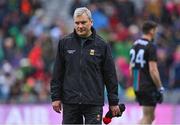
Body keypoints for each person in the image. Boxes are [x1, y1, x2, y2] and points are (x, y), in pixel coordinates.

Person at [50, 7, 120, 124]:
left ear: (91, 22)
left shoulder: (102, 45)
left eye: (83, 22)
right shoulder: (64, 43)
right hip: (70, 101)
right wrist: (55, 97)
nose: (80, 26)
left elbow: (110, 75)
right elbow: (57, 73)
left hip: (93, 102)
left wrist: (113, 101)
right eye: (77, 23)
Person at [129, 21, 165, 124]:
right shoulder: (151, 46)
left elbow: (131, 68)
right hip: (147, 85)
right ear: (151, 31)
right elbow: (153, 70)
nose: (155, 33)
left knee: (150, 116)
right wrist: (160, 87)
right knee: (147, 117)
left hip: (137, 84)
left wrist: (135, 85)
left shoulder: (135, 45)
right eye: (155, 31)